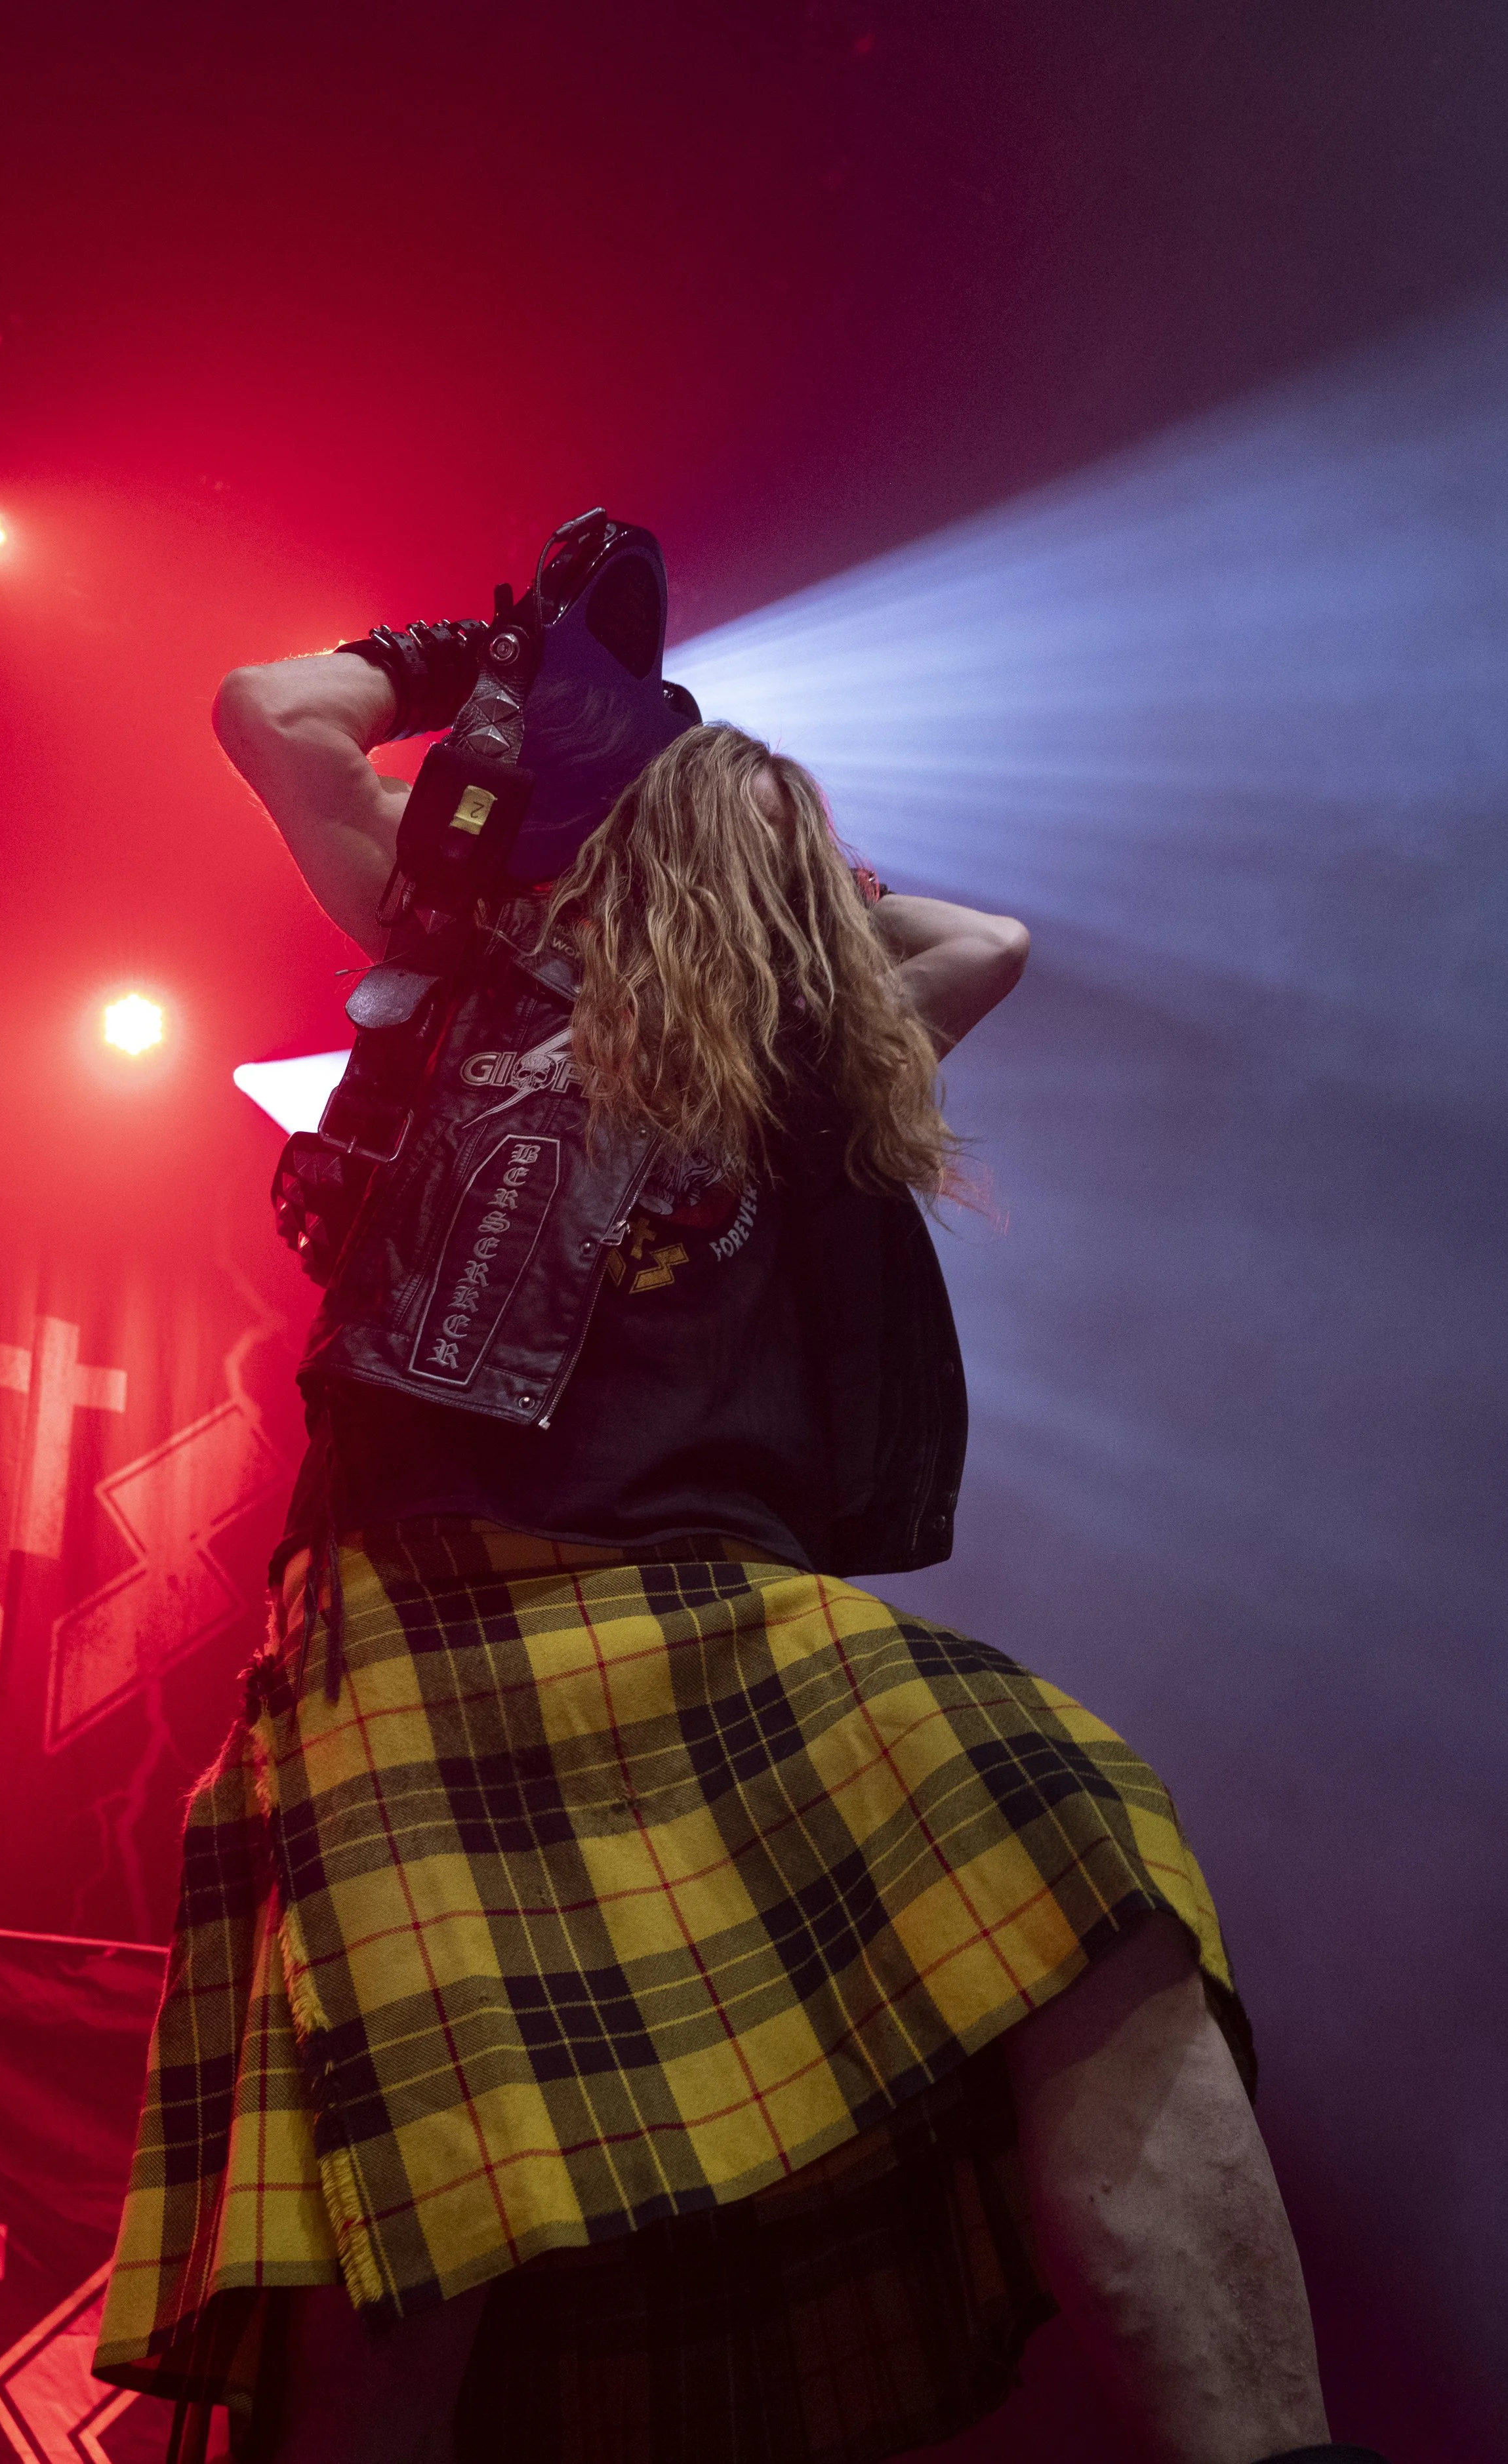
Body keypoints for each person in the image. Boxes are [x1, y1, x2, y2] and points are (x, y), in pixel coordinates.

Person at [93, 636, 1385, 2464]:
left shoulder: (798, 1060)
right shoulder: (457, 956)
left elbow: (984, 941)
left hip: (710, 1614)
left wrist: (787, 885)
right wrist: (492, 666)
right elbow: (268, 711)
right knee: (425, 2182)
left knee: (1069, 1825)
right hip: (425, 1606)